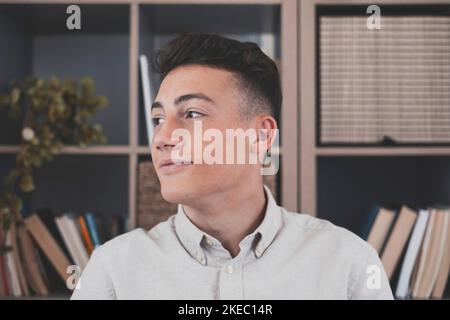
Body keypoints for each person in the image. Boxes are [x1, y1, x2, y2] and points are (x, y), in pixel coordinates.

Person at [71, 33, 393, 300]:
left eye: (192, 114)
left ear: (261, 135)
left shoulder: (349, 264)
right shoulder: (112, 271)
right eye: (158, 119)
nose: (162, 138)